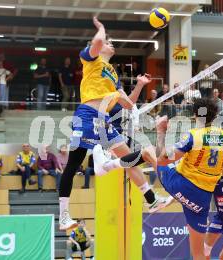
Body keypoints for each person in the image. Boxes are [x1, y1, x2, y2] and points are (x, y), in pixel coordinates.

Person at [58, 17, 170, 231]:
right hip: (87, 115)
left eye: (111, 42)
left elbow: (128, 104)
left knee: (129, 159)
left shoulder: (113, 73)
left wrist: (138, 85)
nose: (111, 44)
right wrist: (101, 29)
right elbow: (97, 43)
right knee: (74, 164)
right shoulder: (91, 60)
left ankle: (151, 199)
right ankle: (64, 215)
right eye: (108, 42)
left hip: (105, 120)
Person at [150, 98, 223, 260]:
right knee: (199, 254)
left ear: (195, 115)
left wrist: (161, 131)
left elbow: (163, 159)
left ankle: (146, 193)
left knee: (149, 152)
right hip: (203, 198)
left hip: (182, 186)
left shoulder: (193, 135)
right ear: (214, 117)